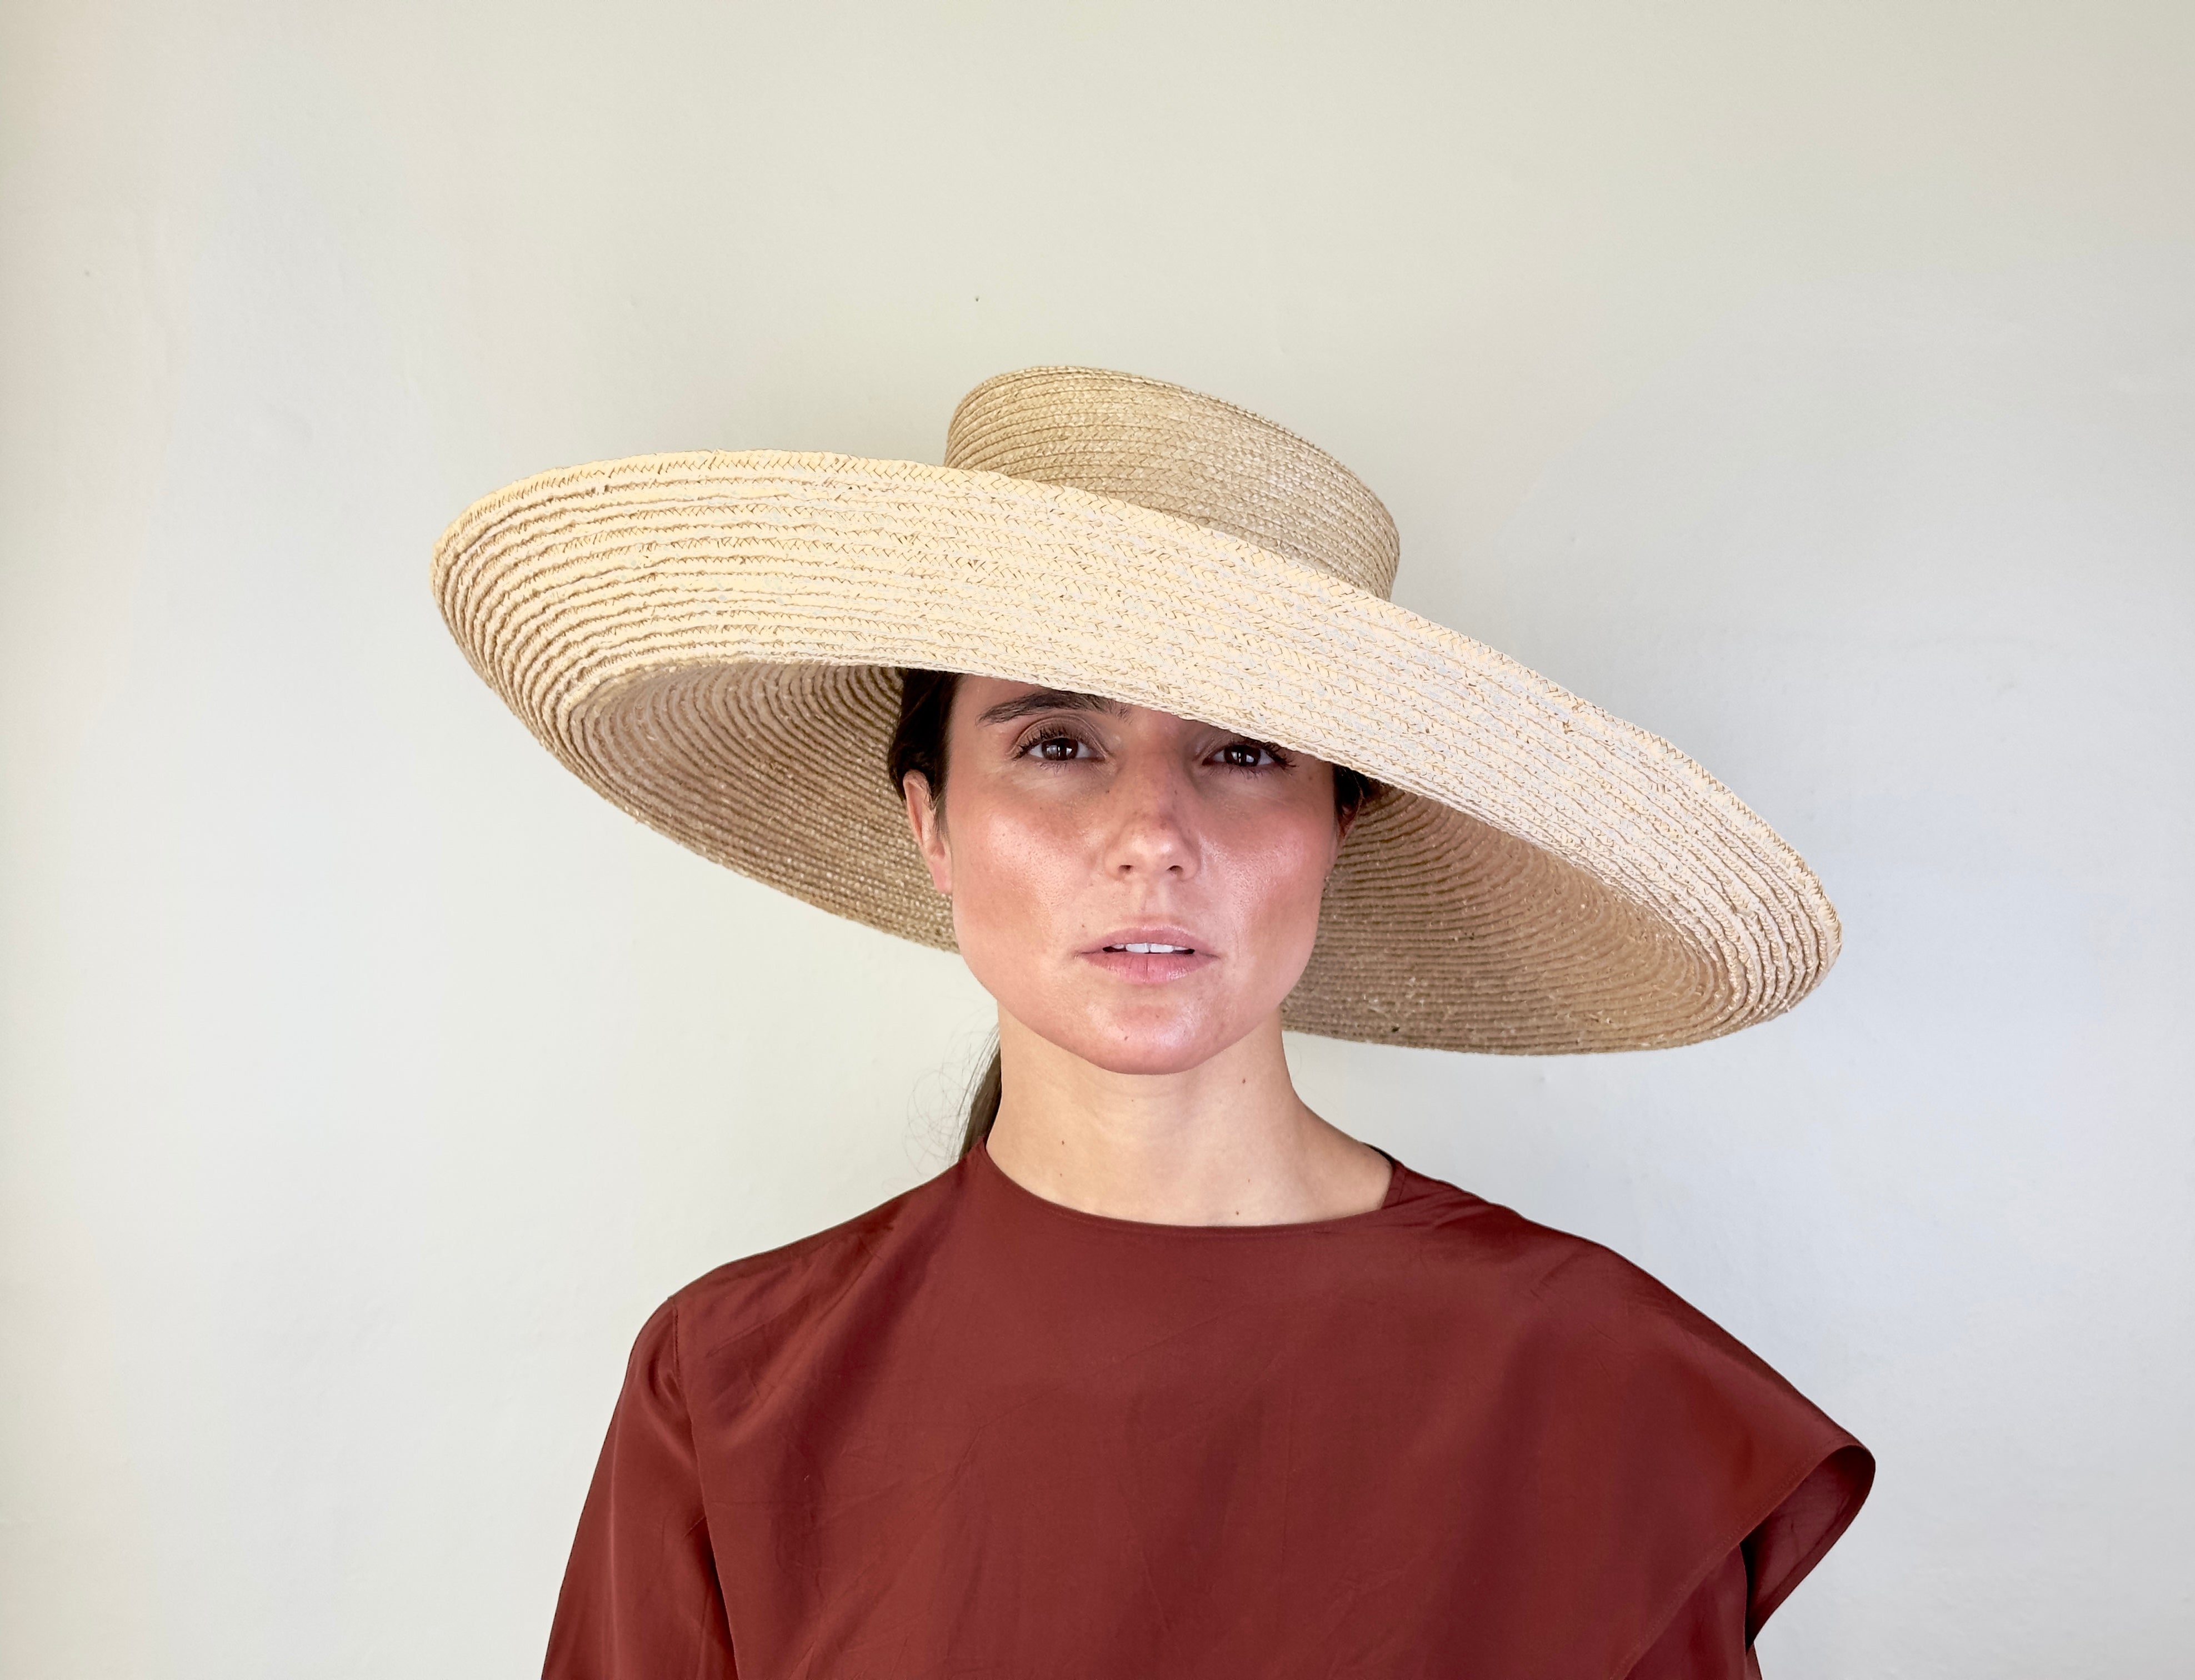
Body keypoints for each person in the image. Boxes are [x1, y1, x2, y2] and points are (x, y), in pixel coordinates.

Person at [433, 367, 1872, 1677]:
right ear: (931, 824)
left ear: (1336, 828)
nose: (1153, 837)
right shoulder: (735, 1386)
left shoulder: (1597, 1389)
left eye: (1242, 752)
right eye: (1059, 742)